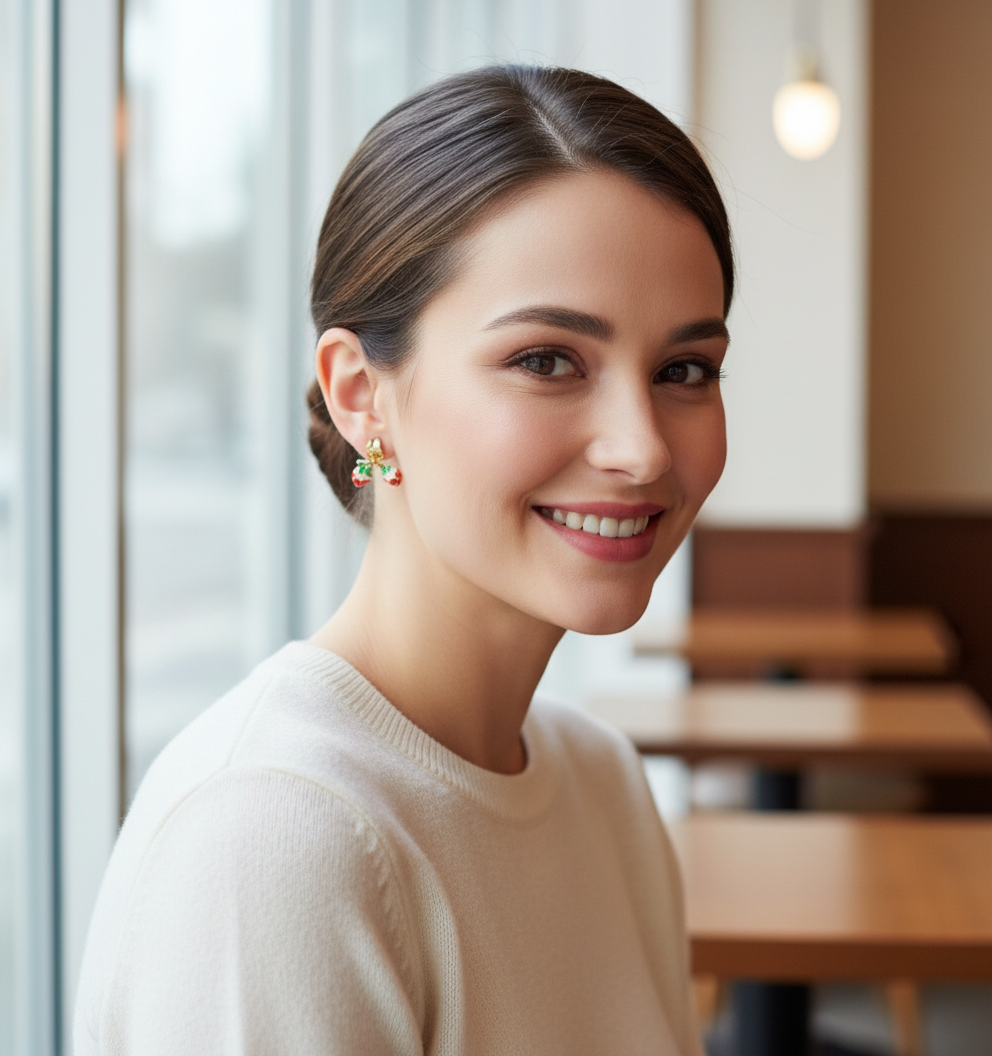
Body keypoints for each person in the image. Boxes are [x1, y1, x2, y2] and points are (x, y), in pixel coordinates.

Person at [75, 64, 732, 1055]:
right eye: (546, 360)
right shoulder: (272, 836)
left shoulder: (600, 784)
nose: (640, 446)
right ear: (358, 392)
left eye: (683, 370)